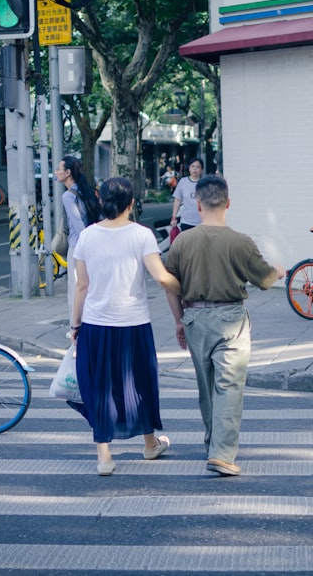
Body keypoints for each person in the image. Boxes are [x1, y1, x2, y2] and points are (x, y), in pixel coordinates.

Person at [164, 175, 284, 476]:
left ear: (198, 203)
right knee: (228, 386)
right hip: (231, 318)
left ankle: (212, 446)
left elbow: (171, 285)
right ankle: (222, 453)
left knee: (206, 388)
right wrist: (279, 271)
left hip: (193, 317)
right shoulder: (241, 241)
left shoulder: (182, 242)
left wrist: (179, 321)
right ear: (228, 203)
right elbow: (265, 280)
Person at [70, 177, 181, 476]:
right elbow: (161, 277)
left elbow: (82, 286)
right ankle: (149, 444)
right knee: (141, 384)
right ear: (132, 204)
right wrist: (189, 287)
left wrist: (75, 326)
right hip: (133, 324)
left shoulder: (87, 236)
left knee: (101, 387)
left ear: (101, 200)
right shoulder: (142, 235)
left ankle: (104, 457)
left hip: (96, 324)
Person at [54, 156, 101, 317]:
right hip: (94, 246)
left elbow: (78, 225)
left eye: (59, 169)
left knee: (75, 290)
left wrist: (85, 245)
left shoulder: (68, 196)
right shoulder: (86, 191)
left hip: (78, 248)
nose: (56, 172)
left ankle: (75, 330)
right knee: (91, 288)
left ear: (67, 172)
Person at [170, 157, 203, 232]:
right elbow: (177, 200)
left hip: (201, 221)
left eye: (198, 167)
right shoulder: (183, 181)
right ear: (189, 168)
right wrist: (174, 217)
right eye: (193, 166)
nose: (195, 169)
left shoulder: (204, 183)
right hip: (186, 221)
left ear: (201, 170)